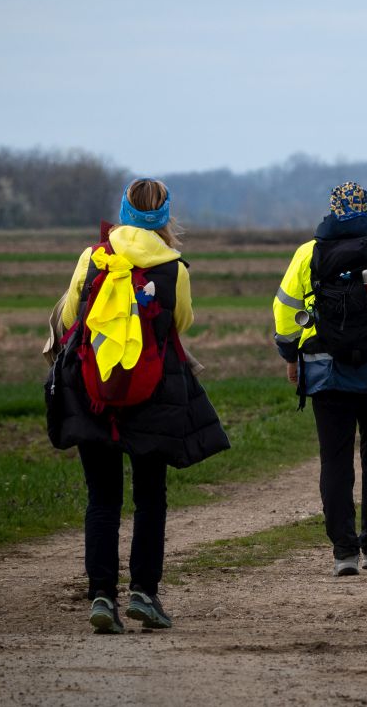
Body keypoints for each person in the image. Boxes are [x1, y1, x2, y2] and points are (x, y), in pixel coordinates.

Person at [46, 178, 230, 635]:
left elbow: (70, 316)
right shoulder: (174, 268)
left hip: (95, 394)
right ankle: (144, 595)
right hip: (153, 396)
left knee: (102, 499)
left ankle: (103, 597)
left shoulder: (94, 258)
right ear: (165, 217)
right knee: (151, 498)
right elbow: (180, 321)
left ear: (125, 212)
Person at [272, 182, 367, 577]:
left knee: (335, 460)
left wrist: (291, 356)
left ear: (331, 210)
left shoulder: (308, 253)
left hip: (326, 374)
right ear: (366, 209)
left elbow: (285, 309)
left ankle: (343, 552)